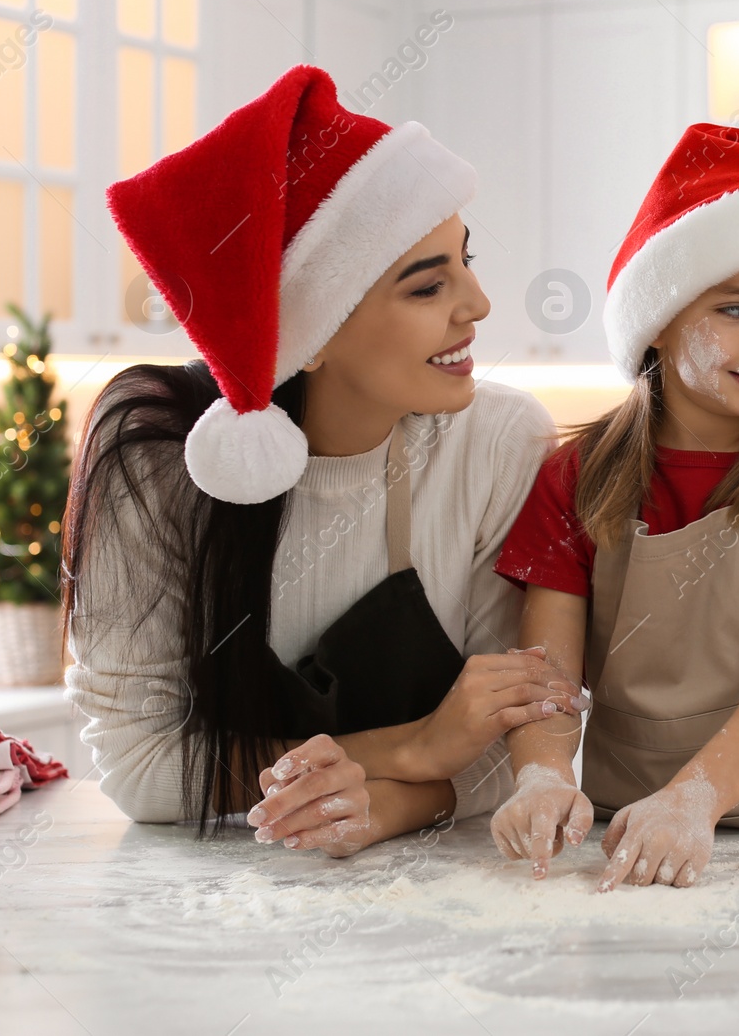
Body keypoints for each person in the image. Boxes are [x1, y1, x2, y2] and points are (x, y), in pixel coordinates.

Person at [63, 66, 582, 857]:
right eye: (427, 285)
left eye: (465, 261)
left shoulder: (499, 443)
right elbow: (139, 767)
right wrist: (412, 750)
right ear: (314, 331)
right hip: (222, 910)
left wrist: (387, 806)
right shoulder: (156, 462)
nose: (476, 304)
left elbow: (508, 748)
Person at [490, 124, 739, 891]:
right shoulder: (575, 475)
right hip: (626, 835)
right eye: (737, 308)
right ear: (660, 317)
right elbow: (548, 674)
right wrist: (541, 774)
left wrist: (694, 798)